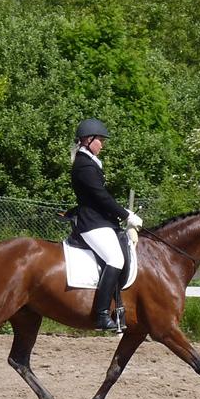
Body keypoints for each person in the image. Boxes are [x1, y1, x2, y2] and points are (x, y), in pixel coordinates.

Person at [69, 118, 143, 330]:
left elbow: (102, 197)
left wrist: (123, 213)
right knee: (115, 259)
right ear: (88, 140)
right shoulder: (84, 165)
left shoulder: (89, 162)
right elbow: (101, 197)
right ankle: (101, 314)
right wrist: (126, 215)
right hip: (92, 223)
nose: (102, 143)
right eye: (99, 139)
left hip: (100, 221)